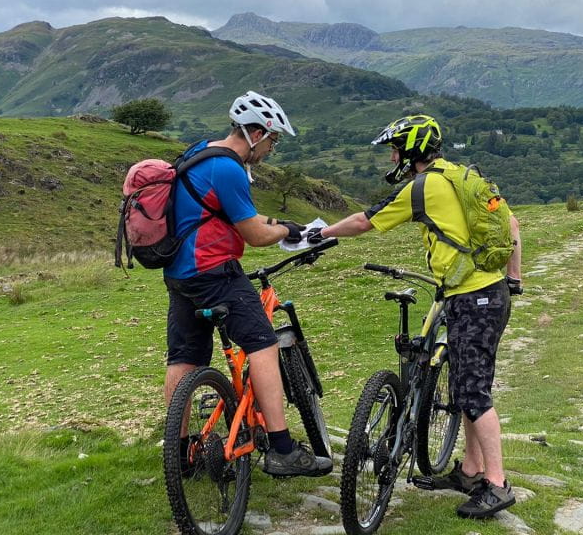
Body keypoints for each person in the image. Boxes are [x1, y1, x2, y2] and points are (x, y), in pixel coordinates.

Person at [307, 114, 522, 519]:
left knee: (474, 394)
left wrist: (319, 233)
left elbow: (363, 221)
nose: (392, 157)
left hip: (472, 298)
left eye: (396, 149)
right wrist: (514, 279)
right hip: (487, 294)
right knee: (465, 386)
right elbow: (510, 221)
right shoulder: (462, 175)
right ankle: (471, 471)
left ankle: (497, 484)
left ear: (411, 152)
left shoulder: (422, 187)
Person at [163, 90, 332, 477]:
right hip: (215, 272)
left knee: (184, 359)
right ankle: (283, 449)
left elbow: (227, 215)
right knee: (263, 344)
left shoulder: (200, 151)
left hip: (179, 275)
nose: (272, 148)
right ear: (255, 133)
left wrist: (276, 224)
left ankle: (181, 451)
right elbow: (254, 236)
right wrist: (285, 231)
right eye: (273, 139)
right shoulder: (229, 168)